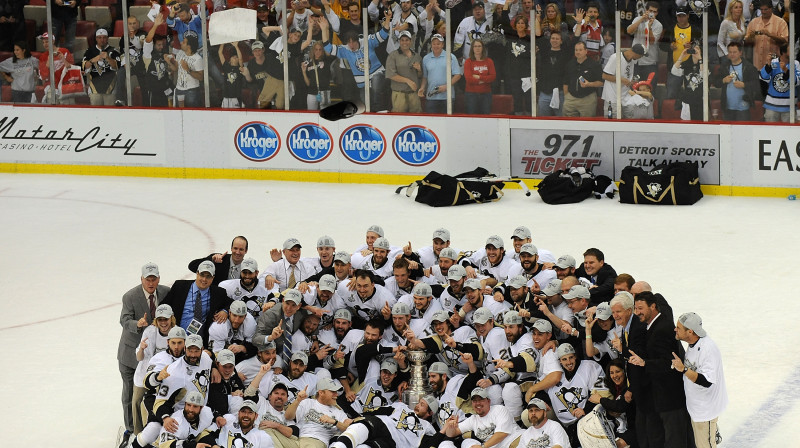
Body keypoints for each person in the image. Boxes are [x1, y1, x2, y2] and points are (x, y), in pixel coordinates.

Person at [628, 291, 693, 448]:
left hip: (671, 397)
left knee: (675, 441)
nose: (637, 312)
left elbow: (669, 362)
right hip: (662, 397)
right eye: (635, 309)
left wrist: (645, 363)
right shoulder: (655, 325)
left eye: (641, 308)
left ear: (653, 306)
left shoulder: (662, 328)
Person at [117, 262, 170, 446]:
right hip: (130, 355)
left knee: (150, 394)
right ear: (141, 279)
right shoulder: (130, 297)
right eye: (147, 279)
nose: (151, 282)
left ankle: (148, 429)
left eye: (154, 279)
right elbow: (124, 320)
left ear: (158, 279)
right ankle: (130, 429)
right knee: (130, 394)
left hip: (152, 357)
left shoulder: (165, 292)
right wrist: (137, 324)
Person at [673, 313, 728, 448]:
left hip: (705, 411)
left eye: (678, 328)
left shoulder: (707, 349)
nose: (675, 330)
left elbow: (706, 381)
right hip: (697, 408)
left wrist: (683, 369)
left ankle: (712, 431)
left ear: (690, 332)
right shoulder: (693, 343)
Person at [322, 12, 392, 112]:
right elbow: (328, 48)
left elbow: (383, 34)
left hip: (377, 72)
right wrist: (324, 29)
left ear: (358, 40)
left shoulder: (367, 41)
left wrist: (388, 18)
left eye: (353, 41)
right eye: (349, 42)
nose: (351, 45)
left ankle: (381, 111)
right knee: (365, 104)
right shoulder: (345, 49)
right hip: (362, 81)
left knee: (376, 88)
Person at [161, 260, 232, 344]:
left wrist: (225, 311)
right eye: (202, 275)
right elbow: (163, 305)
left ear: (213, 278)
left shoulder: (218, 292)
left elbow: (232, 303)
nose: (204, 279)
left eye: (208, 276)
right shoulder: (179, 286)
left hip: (198, 341)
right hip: (176, 337)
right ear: (197, 273)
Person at [331, 398, 438, 448]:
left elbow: (435, 441)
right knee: (360, 427)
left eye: (422, 405)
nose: (417, 405)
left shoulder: (427, 427)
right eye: (419, 402)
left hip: (394, 443)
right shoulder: (402, 406)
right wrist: (357, 418)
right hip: (383, 424)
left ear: (430, 413)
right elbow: (379, 411)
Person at [442, 387, 523, 448]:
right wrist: (451, 426)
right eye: (475, 401)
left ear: (488, 401)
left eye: (481, 399)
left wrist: (483, 446)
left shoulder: (499, 409)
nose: (478, 403)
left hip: (517, 441)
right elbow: (451, 434)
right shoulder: (473, 420)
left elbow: (501, 433)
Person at [285, 377, 353, 448]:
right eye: (333, 391)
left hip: (316, 441)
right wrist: (298, 400)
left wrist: (334, 422)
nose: (336, 395)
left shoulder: (338, 412)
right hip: (297, 439)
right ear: (321, 393)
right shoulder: (307, 402)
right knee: (276, 432)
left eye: (336, 392)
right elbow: (288, 416)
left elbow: (349, 429)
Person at [588, 358, 637, 448]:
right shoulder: (611, 387)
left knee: (617, 445)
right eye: (612, 373)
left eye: (618, 371)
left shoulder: (630, 388)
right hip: (618, 429)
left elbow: (620, 406)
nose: (615, 376)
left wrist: (601, 400)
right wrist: (609, 411)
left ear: (624, 372)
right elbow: (592, 399)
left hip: (635, 428)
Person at [254, 289, 310, 365]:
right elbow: (255, 339)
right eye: (287, 303)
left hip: (287, 351)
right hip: (269, 354)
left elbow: (313, 319)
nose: (289, 308)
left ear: (299, 306)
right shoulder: (270, 315)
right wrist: (271, 337)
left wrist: (315, 337)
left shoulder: (301, 313)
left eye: (293, 305)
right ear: (283, 301)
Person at [714, 41, 761, 121]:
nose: (732, 54)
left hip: (743, 107)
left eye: (734, 52)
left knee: (742, 129)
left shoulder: (749, 67)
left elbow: (757, 85)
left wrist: (744, 85)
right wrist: (723, 80)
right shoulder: (724, 66)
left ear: (740, 53)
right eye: (730, 52)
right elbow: (716, 82)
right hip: (727, 107)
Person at [418, 33, 462, 113]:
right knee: (431, 120)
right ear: (431, 45)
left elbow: (458, 75)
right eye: (434, 44)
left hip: (447, 97)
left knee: (447, 120)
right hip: (431, 97)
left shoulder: (451, 57)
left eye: (438, 44)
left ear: (442, 45)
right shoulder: (426, 58)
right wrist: (422, 88)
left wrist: (446, 86)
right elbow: (425, 77)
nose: (436, 46)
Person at [601, 44, 645, 117]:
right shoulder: (615, 57)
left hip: (625, 96)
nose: (641, 57)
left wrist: (631, 82)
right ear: (636, 53)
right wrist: (622, 80)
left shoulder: (632, 62)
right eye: (641, 55)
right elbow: (605, 76)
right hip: (612, 96)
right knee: (612, 121)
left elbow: (627, 77)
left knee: (631, 118)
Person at [759, 44, 800, 122]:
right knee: (770, 129)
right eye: (790, 50)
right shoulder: (773, 62)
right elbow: (763, 78)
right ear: (783, 52)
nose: (793, 52)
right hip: (772, 105)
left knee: (789, 129)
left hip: (789, 106)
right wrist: (768, 65)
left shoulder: (796, 63)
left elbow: (797, 82)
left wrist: (786, 70)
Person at [744, 0, 788, 70]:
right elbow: (746, 41)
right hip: (757, 63)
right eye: (761, 9)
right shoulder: (753, 22)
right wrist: (751, 37)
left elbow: (785, 40)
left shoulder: (781, 22)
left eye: (766, 9)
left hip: (774, 64)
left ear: (771, 9)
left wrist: (770, 35)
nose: (763, 12)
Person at [386, 30, 423, 113]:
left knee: (416, 118)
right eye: (402, 40)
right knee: (399, 119)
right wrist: (408, 81)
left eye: (407, 40)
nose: (404, 42)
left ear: (411, 41)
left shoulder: (417, 56)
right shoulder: (393, 55)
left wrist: (419, 70)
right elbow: (391, 75)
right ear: (399, 41)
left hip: (414, 95)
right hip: (399, 94)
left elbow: (421, 76)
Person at [563, 41, 603, 117]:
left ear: (586, 51)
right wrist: (567, 96)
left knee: (587, 123)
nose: (578, 52)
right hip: (571, 99)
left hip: (587, 99)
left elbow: (601, 82)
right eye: (576, 50)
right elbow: (565, 82)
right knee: (568, 122)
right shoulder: (570, 64)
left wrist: (589, 84)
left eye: (580, 50)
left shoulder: (594, 65)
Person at [82, 29, 121, 106]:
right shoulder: (90, 51)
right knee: (96, 111)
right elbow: (84, 66)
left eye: (104, 37)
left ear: (107, 38)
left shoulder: (114, 51)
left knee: (110, 111)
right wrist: (93, 60)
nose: (102, 40)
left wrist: (108, 58)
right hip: (94, 88)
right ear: (96, 38)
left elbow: (117, 66)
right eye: (99, 37)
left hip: (111, 87)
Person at [166, 30, 204, 108]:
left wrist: (188, 69)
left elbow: (201, 77)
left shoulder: (198, 59)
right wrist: (169, 62)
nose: (181, 43)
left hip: (192, 90)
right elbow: (175, 69)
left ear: (189, 46)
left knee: (191, 113)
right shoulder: (180, 53)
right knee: (178, 113)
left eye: (183, 42)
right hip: (179, 89)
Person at [627, 2, 662, 81]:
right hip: (636, 61)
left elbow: (652, 42)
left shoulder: (658, 25)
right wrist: (641, 19)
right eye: (650, 11)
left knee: (649, 87)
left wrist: (649, 27)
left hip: (650, 62)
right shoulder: (637, 19)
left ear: (657, 13)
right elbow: (629, 31)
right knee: (634, 86)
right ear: (646, 10)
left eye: (654, 12)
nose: (652, 13)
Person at [671, 45, 706, 121]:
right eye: (693, 49)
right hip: (687, 100)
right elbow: (674, 71)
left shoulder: (704, 64)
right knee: (687, 124)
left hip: (701, 100)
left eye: (697, 49)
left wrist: (700, 59)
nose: (695, 51)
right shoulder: (686, 64)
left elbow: (704, 75)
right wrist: (682, 56)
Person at [463, 38, 496, 115]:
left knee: (486, 117)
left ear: (483, 48)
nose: (477, 48)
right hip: (471, 95)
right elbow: (468, 79)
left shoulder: (489, 61)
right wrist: (485, 80)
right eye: (475, 46)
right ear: (472, 48)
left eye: (479, 46)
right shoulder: (468, 62)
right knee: (472, 117)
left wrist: (479, 77)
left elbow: (493, 77)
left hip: (486, 95)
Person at [302, 41, 336, 110]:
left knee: (325, 112)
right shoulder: (309, 64)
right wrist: (304, 72)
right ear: (313, 51)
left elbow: (331, 52)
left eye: (320, 50)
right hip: (312, 92)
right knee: (311, 113)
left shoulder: (327, 60)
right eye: (316, 49)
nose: (318, 52)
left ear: (323, 51)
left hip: (324, 91)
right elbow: (308, 83)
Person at [219, 42, 246, 108]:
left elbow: (240, 59)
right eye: (233, 56)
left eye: (236, 57)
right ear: (230, 60)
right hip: (225, 97)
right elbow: (220, 53)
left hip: (236, 97)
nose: (235, 57)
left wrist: (236, 46)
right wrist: (222, 42)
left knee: (236, 114)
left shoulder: (239, 68)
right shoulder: (226, 67)